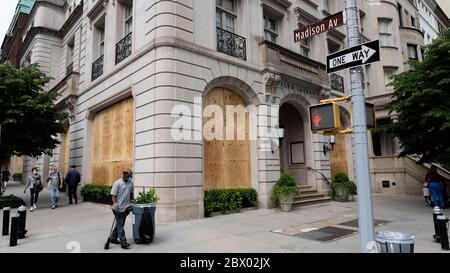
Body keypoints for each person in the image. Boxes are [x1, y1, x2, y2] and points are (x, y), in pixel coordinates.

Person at [110, 169, 134, 249]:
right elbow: (113, 195)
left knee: (119, 224)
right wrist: (115, 204)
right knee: (120, 225)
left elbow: (131, 193)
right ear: (124, 174)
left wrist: (131, 200)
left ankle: (113, 238)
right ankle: (123, 242)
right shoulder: (117, 183)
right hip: (118, 208)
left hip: (126, 207)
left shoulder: (130, 183)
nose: (131, 177)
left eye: (131, 175)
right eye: (130, 175)